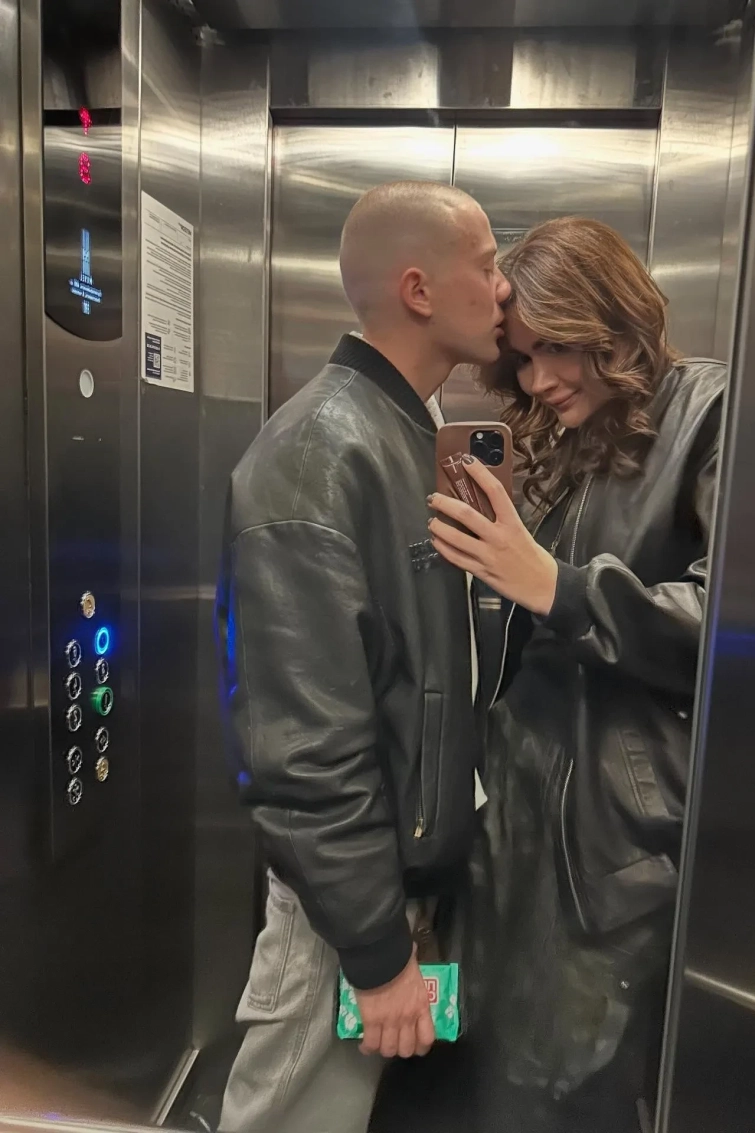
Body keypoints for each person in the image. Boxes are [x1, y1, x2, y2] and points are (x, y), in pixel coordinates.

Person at [215, 180, 510, 1133]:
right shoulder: (318, 455)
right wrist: (377, 953)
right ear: (419, 290)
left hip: (392, 883)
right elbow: (302, 746)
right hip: (342, 914)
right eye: (489, 265)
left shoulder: (405, 431)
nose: (504, 288)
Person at [427, 216, 725, 1132]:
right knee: (490, 1073)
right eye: (522, 358)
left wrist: (559, 586)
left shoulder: (708, 412)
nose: (538, 378)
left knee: (571, 1084)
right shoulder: (569, 434)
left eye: (557, 346)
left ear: (612, 317)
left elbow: (740, 623)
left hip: (612, 838)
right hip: (515, 807)